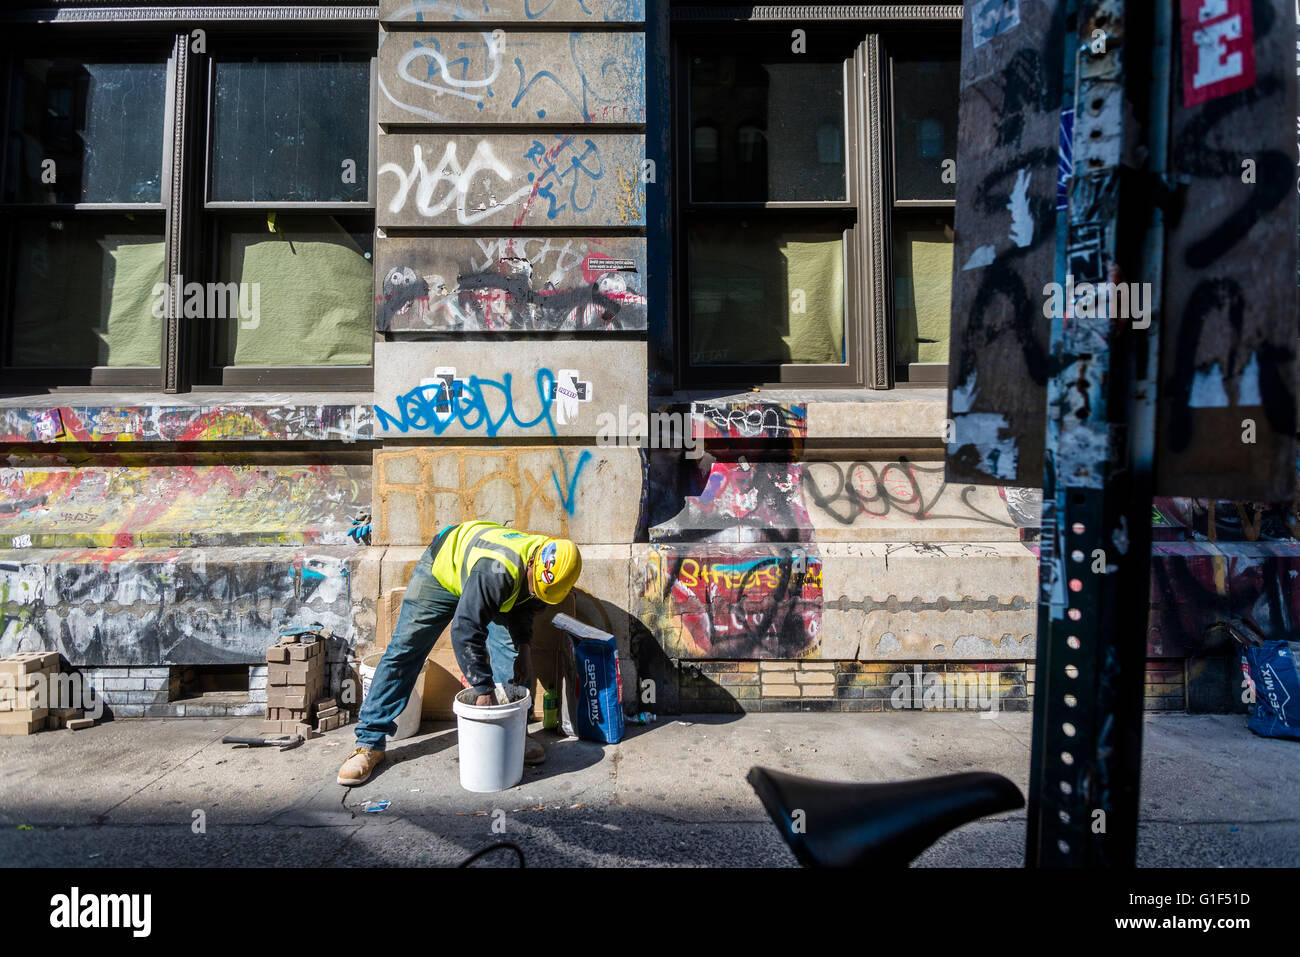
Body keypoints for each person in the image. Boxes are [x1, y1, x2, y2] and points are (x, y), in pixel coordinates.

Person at [338, 520, 581, 786]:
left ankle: (514, 734)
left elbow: (523, 605)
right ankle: (369, 742)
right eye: (535, 588)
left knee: (510, 655)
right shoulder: (498, 572)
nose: (537, 595)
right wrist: (483, 689)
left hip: (493, 579)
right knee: (406, 650)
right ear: (532, 565)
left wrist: (523, 647)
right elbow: (465, 629)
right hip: (442, 568)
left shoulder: (544, 565)